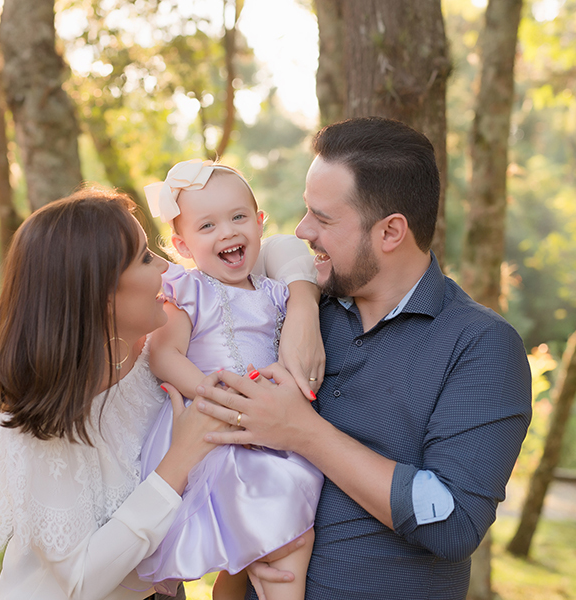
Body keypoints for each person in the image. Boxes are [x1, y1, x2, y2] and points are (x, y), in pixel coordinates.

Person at [194, 117, 533, 600]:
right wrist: (305, 303)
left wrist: (303, 432)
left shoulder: (479, 345)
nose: (304, 228)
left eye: (324, 218)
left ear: (391, 231)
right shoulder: (293, 306)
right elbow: (261, 251)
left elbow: (453, 523)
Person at [0, 187, 322, 600]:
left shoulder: (149, 358)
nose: (165, 266)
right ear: (103, 295)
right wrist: (180, 458)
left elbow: (277, 246)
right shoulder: (34, 429)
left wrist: (303, 305)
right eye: (145, 257)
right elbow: (76, 584)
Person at [135, 160, 323, 600]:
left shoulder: (278, 292)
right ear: (183, 244)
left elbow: (302, 269)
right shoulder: (189, 291)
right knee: (287, 529)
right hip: (211, 432)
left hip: (263, 430)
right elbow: (163, 355)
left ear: (259, 223)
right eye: (207, 226)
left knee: (259, 544)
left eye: (239, 217)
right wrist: (212, 393)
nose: (227, 232)